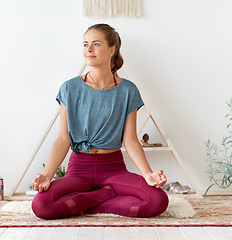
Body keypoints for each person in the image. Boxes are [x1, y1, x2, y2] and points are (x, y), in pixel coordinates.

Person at [31, 23, 169, 219]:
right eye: (85, 44)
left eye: (96, 44)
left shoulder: (128, 90)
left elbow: (130, 140)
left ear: (112, 50)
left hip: (113, 169)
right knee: (41, 206)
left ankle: (86, 203)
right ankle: (105, 196)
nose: (89, 49)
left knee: (158, 201)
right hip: (78, 170)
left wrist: (148, 174)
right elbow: (63, 139)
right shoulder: (70, 88)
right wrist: (47, 176)